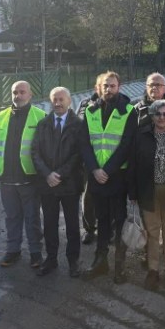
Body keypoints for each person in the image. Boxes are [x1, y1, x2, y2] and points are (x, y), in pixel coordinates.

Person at [82, 71, 138, 284]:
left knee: (119, 221)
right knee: (102, 220)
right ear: (99, 88)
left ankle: (119, 266)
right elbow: (84, 144)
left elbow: (127, 144)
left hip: (118, 177)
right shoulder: (90, 111)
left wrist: (107, 169)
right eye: (105, 86)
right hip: (96, 176)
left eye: (112, 86)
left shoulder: (129, 111)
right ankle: (100, 261)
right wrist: (95, 169)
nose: (109, 89)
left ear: (119, 87)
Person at [128, 99, 165, 290]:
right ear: (152, 116)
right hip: (148, 190)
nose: (161, 117)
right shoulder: (141, 135)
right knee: (152, 232)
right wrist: (133, 192)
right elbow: (133, 165)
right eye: (158, 114)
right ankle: (153, 269)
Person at [31, 87, 87, 278]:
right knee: (49, 224)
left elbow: (79, 154)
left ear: (69, 101)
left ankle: (73, 261)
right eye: (54, 99)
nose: (57, 103)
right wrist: (47, 174)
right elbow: (35, 152)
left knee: (72, 225)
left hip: (70, 184)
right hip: (48, 184)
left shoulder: (78, 124)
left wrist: (59, 174)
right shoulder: (43, 124)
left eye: (61, 99)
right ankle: (51, 259)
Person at [0, 80, 46, 268]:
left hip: (30, 179)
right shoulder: (0, 117)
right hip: (7, 179)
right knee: (12, 218)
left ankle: (35, 252)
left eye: (22, 92)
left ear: (30, 95)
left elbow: (45, 149)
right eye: (15, 92)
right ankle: (13, 250)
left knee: (32, 218)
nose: (18, 95)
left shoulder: (41, 117)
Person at [77, 79, 101, 245]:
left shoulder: (119, 104)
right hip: (88, 158)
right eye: (101, 85)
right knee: (88, 197)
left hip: (110, 159)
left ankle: (109, 228)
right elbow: (78, 125)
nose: (105, 88)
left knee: (111, 198)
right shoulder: (85, 103)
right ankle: (89, 229)